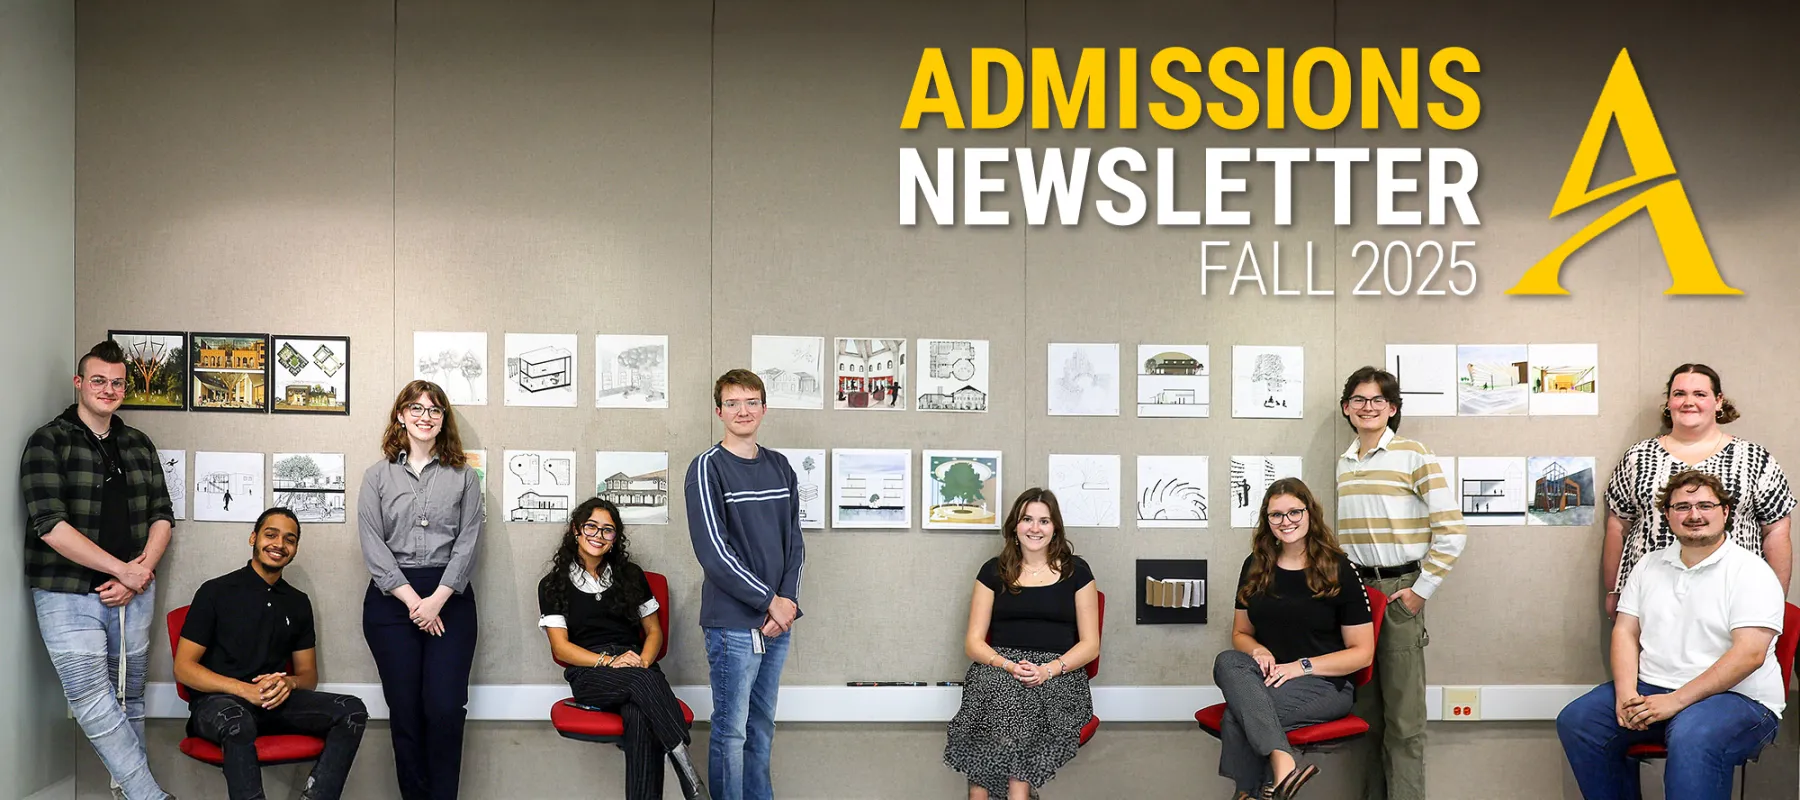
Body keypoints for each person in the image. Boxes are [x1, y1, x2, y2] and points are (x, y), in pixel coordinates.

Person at [1557, 471, 1785, 799]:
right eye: (1682, 507)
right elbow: (1624, 631)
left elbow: (1749, 654)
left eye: (1705, 505)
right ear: (1667, 516)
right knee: (1580, 720)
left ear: (1726, 511)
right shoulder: (1648, 566)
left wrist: (1675, 702)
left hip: (1739, 699)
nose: (1694, 515)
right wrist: (1625, 695)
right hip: (1654, 689)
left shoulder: (1751, 572)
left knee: (1693, 733)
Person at [20, 340, 175, 800]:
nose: (108, 389)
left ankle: (131, 795)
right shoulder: (48, 441)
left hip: (135, 592)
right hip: (66, 593)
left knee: (129, 700)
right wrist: (122, 571)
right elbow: (50, 526)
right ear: (79, 383)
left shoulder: (137, 444)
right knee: (91, 699)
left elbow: (162, 515)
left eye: (117, 382)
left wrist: (140, 571)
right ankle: (150, 796)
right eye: (99, 380)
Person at [1334, 366, 1466, 800]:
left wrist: (1419, 591)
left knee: (1405, 723)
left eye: (1377, 400)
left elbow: (1452, 531)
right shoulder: (1346, 461)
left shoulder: (1414, 455)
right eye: (1358, 399)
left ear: (1392, 409)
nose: (1367, 407)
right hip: (1356, 595)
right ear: (1347, 408)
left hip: (1398, 593)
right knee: (1367, 719)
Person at [174, 508, 368, 800]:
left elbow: (308, 675)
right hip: (218, 706)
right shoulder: (215, 592)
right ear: (254, 538)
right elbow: (183, 668)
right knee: (237, 720)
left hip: (274, 704)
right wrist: (244, 690)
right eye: (271, 534)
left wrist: (288, 683)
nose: (279, 544)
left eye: (289, 539)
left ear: (295, 549)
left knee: (352, 710)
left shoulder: (298, 602)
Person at [357, 380, 483, 799]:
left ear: (442, 419)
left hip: (450, 598)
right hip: (393, 603)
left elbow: (468, 542)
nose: (424, 416)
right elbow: (373, 545)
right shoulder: (376, 476)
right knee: (406, 712)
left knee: (445, 708)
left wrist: (437, 600)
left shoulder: (465, 475)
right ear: (401, 415)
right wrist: (414, 601)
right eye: (416, 408)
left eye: (434, 410)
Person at [683, 369, 805, 800]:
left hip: (778, 623)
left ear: (764, 409)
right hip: (733, 625)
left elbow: (795, 543)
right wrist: (770, 601)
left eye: (751, 402)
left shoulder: (780, 466)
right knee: (731, 732)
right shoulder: (706, 468)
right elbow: (714, 553)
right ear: (719, 411)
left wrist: (787, 601)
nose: (742, 411)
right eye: (732, 403)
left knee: (762, 728)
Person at [1215, 478, 1375, 800]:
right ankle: (1283, 771)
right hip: (1266, 679)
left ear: (1310, 513)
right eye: (1276, 515)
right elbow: (1240, 634)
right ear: (1267, 521)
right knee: (1227, 661)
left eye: (1294, 512)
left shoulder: (1338, 568)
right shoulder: (1255, 566)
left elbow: (1363, 654)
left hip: (1325, 684)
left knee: (1239, 713)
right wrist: (1258, 649)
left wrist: (1299, 667)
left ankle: (1252, 792)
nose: (1286, 522)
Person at [539, 497, 707, 800]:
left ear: (615, 539)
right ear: (576, 529)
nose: (598, 535)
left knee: (640, 713)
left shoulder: (631, 575)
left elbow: (654, 631)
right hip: (591, 671)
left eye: (608, 530)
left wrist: (642, 661)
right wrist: (608, 661)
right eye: (591, 526)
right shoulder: (553, 584)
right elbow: (561, 648)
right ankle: (688, 771)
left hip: (637, 665)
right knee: (643, 684)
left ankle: (683, 775)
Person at [1602, 364, 1793, 619]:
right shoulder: (1638, 456)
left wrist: (1774, 598)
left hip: (1734, 597)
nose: (1688, 402)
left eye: (1700, 394)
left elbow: (1776, 531)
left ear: (1718, 401)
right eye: (1679, 394)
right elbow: (1618, 526)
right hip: (1650, 597)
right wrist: (1613, 589)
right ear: (1668, 402)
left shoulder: (1754, 458)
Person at [945, 488, 1100, 800]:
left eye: (1044, 521)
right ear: (1014, 526)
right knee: (997, 692)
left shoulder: (1077, 572)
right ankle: (1013, 794)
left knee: (1013, 704)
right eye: (1027, 519)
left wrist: (1047, 670)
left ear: (1055, 527)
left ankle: (1008, 794)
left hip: (1058, 674)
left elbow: (1090, 645)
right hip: (999, 666)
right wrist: (1008, 665)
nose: (1035, 528)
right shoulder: (992, 571)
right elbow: (974, 643)